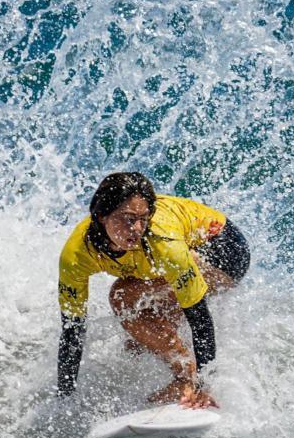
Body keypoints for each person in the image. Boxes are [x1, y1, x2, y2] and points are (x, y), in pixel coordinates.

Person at [56, 172, 250, 409]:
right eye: (128, 219)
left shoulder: (165, 245)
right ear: (101, 216)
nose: (137, 229)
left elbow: (199, 318)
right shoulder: (76, 256)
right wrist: (64, 399)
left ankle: (185, 378)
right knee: (138, 340)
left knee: (123, 297)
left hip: (223, 251)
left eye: (143, 218)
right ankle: (179, 368)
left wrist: (204, 385)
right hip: (189, 248)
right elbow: (72, 330)